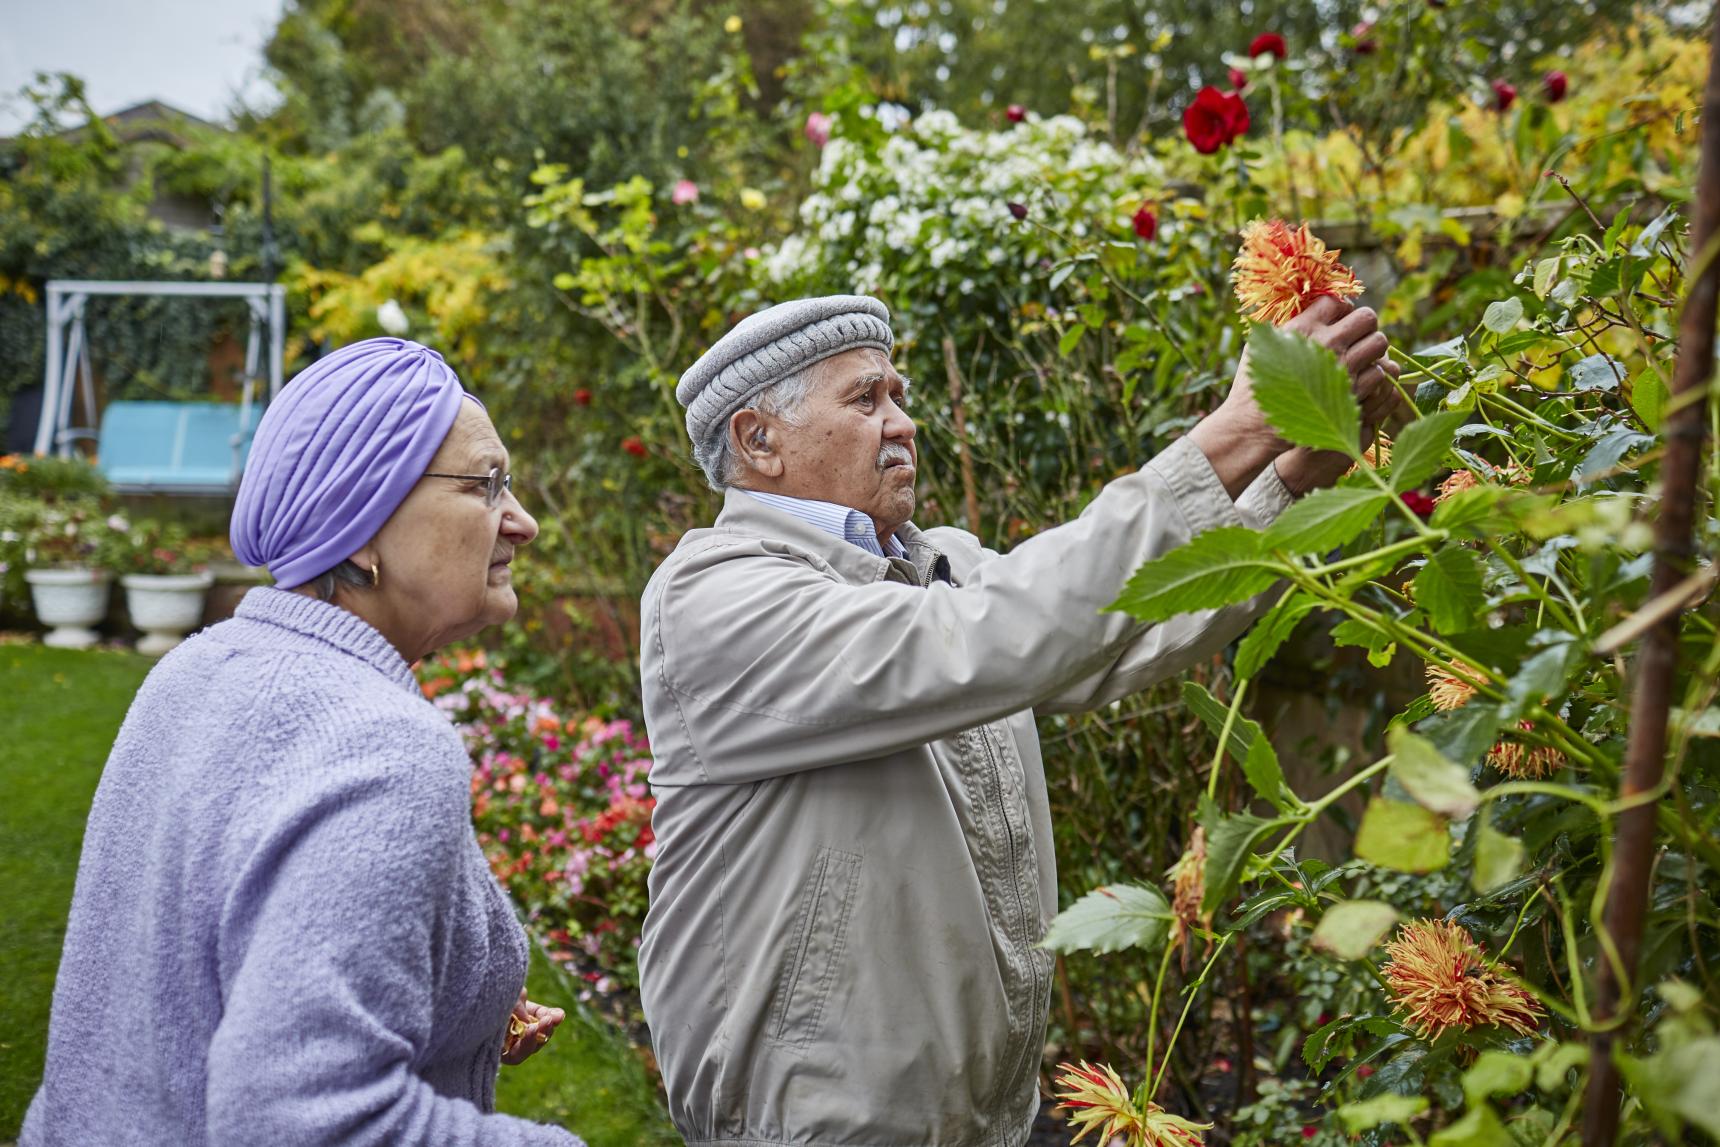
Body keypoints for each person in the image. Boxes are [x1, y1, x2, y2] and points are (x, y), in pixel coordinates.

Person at [638, 294, 1400, 1146]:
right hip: (823, 1125)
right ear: (758, 440)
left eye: (898, 393)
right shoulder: (717, 597)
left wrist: (1288, 478)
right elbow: (990, 636)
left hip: (989, 1116)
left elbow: (1112, 633)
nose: (903, 421)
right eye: (865, 400)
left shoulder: (941, 564)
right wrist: (1231, 436)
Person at [23, 339, 584, 1146]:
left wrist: (462, 1020)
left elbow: (201, 968)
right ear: (360, 527)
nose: (522, 521)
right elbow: (305, 1120)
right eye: (486, 483)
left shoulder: (200, 667)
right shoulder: (379, 744)